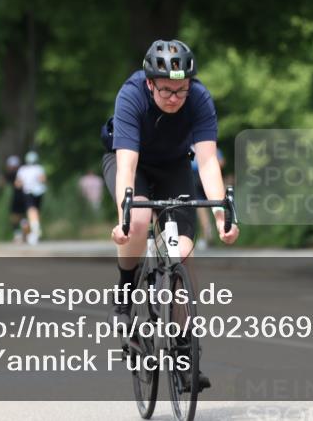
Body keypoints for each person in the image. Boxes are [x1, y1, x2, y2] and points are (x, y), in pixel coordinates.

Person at [101, 39, 240, 393]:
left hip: (175, 166)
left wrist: (224, 212)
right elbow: (127, 167)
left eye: (182, 89)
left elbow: (208, 161)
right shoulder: (131, 95)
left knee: (182, 252)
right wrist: (124, 218)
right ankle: (125, 292)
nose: (175, 97)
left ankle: (182, 348)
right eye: (166, 90)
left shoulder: (199, 98)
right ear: (150, 83)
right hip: (130, 162)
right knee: (141, 219)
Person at [191, 147, 225, 251]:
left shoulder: (190, 146)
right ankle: (212, 229)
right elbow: (222, 162)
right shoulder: (212, 147)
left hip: (197, 176)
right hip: (207, 174)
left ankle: (207, 230)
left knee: (201, 206)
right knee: (212, 202)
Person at [16, 151, 47, 246]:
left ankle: (35, 231)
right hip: (39, 192)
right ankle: (35, 230)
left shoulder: (23, 169)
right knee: (36, 211)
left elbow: (18, 183)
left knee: (31, 211)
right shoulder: (39, 168)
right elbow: (43, 179)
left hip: (28, 191)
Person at [5, 155, 26, 243]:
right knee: (23, 218)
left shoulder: (12, 174)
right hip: (25, 196)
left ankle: (19, 235)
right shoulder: (23, 171)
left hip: (19, 197)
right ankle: (25, 234)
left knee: (16, 217)